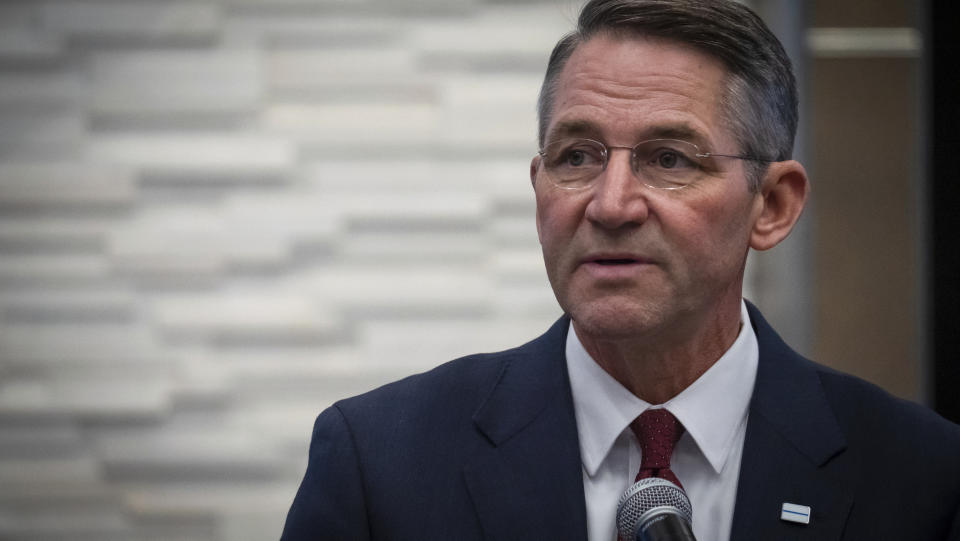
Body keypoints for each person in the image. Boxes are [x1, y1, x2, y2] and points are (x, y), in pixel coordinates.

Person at [280, 1, 960, 539]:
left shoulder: (922, 475)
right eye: (577, 156)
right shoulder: (380, 463)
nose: (610, 204)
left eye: (669, 158)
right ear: (538, 185)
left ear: (772, 206)